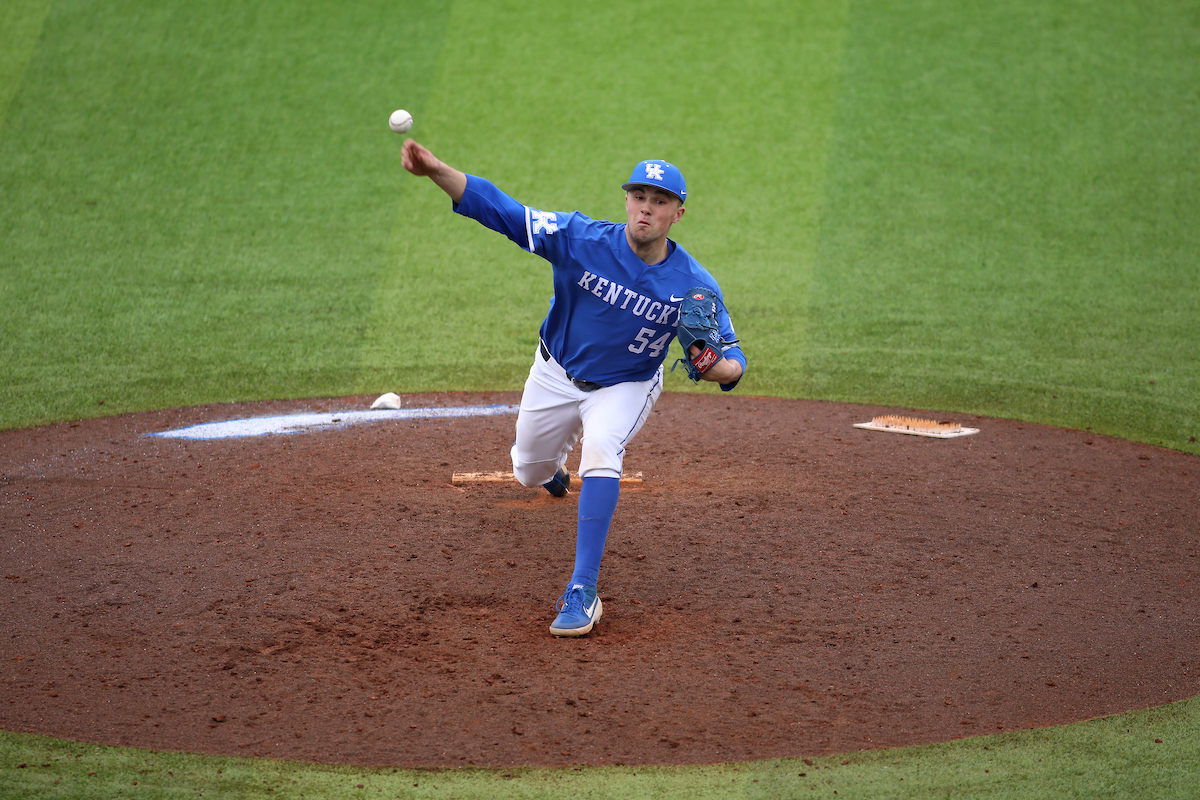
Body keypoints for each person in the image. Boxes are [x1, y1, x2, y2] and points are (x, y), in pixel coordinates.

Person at [401, 139, 747, 637]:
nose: (646, 208)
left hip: (626, 385)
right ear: (627, 200)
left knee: (603, 448)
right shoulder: (580, 238)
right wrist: (435, 170)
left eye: (660, 201)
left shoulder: (694, 285)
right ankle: (550, 473)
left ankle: (583, 589)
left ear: (678, 213)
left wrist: (716, 367)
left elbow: (733, 359)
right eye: (639, 196)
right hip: (554, 373)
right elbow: (504, 211)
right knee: (527, 471)